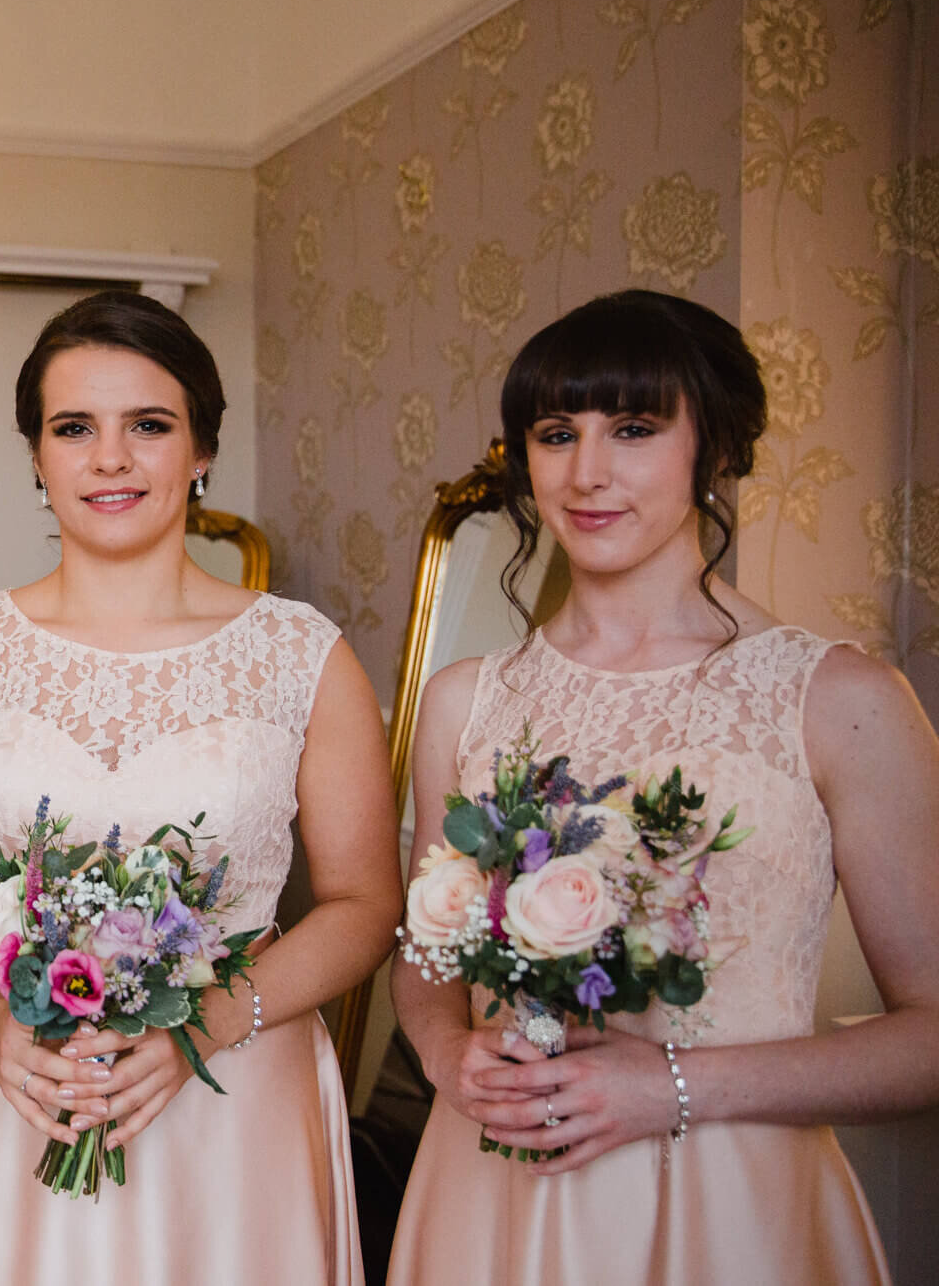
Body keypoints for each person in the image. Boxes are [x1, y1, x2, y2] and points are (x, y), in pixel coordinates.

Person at [387, 290, 939, 1285]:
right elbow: (426, 968)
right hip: (495, 1195)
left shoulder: (840, 700)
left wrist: (672, 1086)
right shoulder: (462, 702)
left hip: (731, 1206)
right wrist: (443, 1055)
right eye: (555, 433)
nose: (586, 472)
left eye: (633, 428)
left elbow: (930, 1036)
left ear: (715, 450)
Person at [0, 290, 400, 1284]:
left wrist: (196, 1028)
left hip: (231, 1099)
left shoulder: (301, 655)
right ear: (35, 455)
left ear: (202, 446)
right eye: (73, 427)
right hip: (16, 1088)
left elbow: (363, 903)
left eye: (147, 426)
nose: (108, 458)